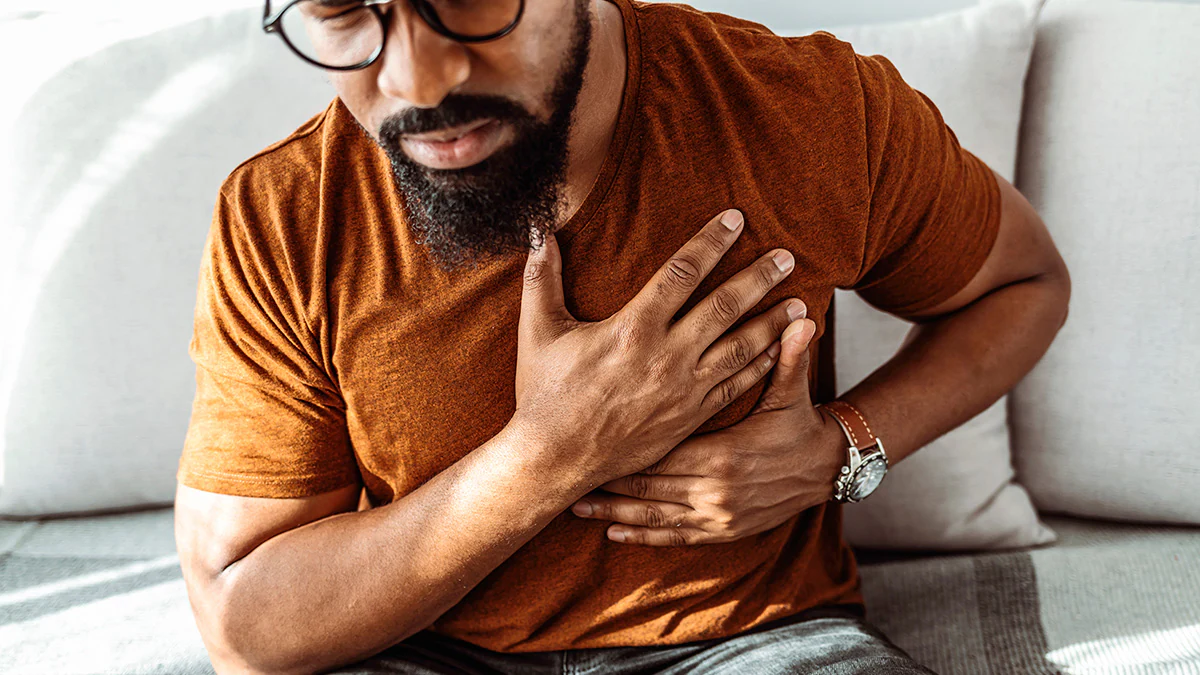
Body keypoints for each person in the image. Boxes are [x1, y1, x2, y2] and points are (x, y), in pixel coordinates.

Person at [173, 0, 1071, 673]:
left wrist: (841, 448)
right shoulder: (283, 213)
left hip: (755, 640)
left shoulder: (811, 110)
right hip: (417, 649)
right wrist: (552, 451)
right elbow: (244, 624)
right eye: (340, 9)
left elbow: (1024, 286)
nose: (416, 79)